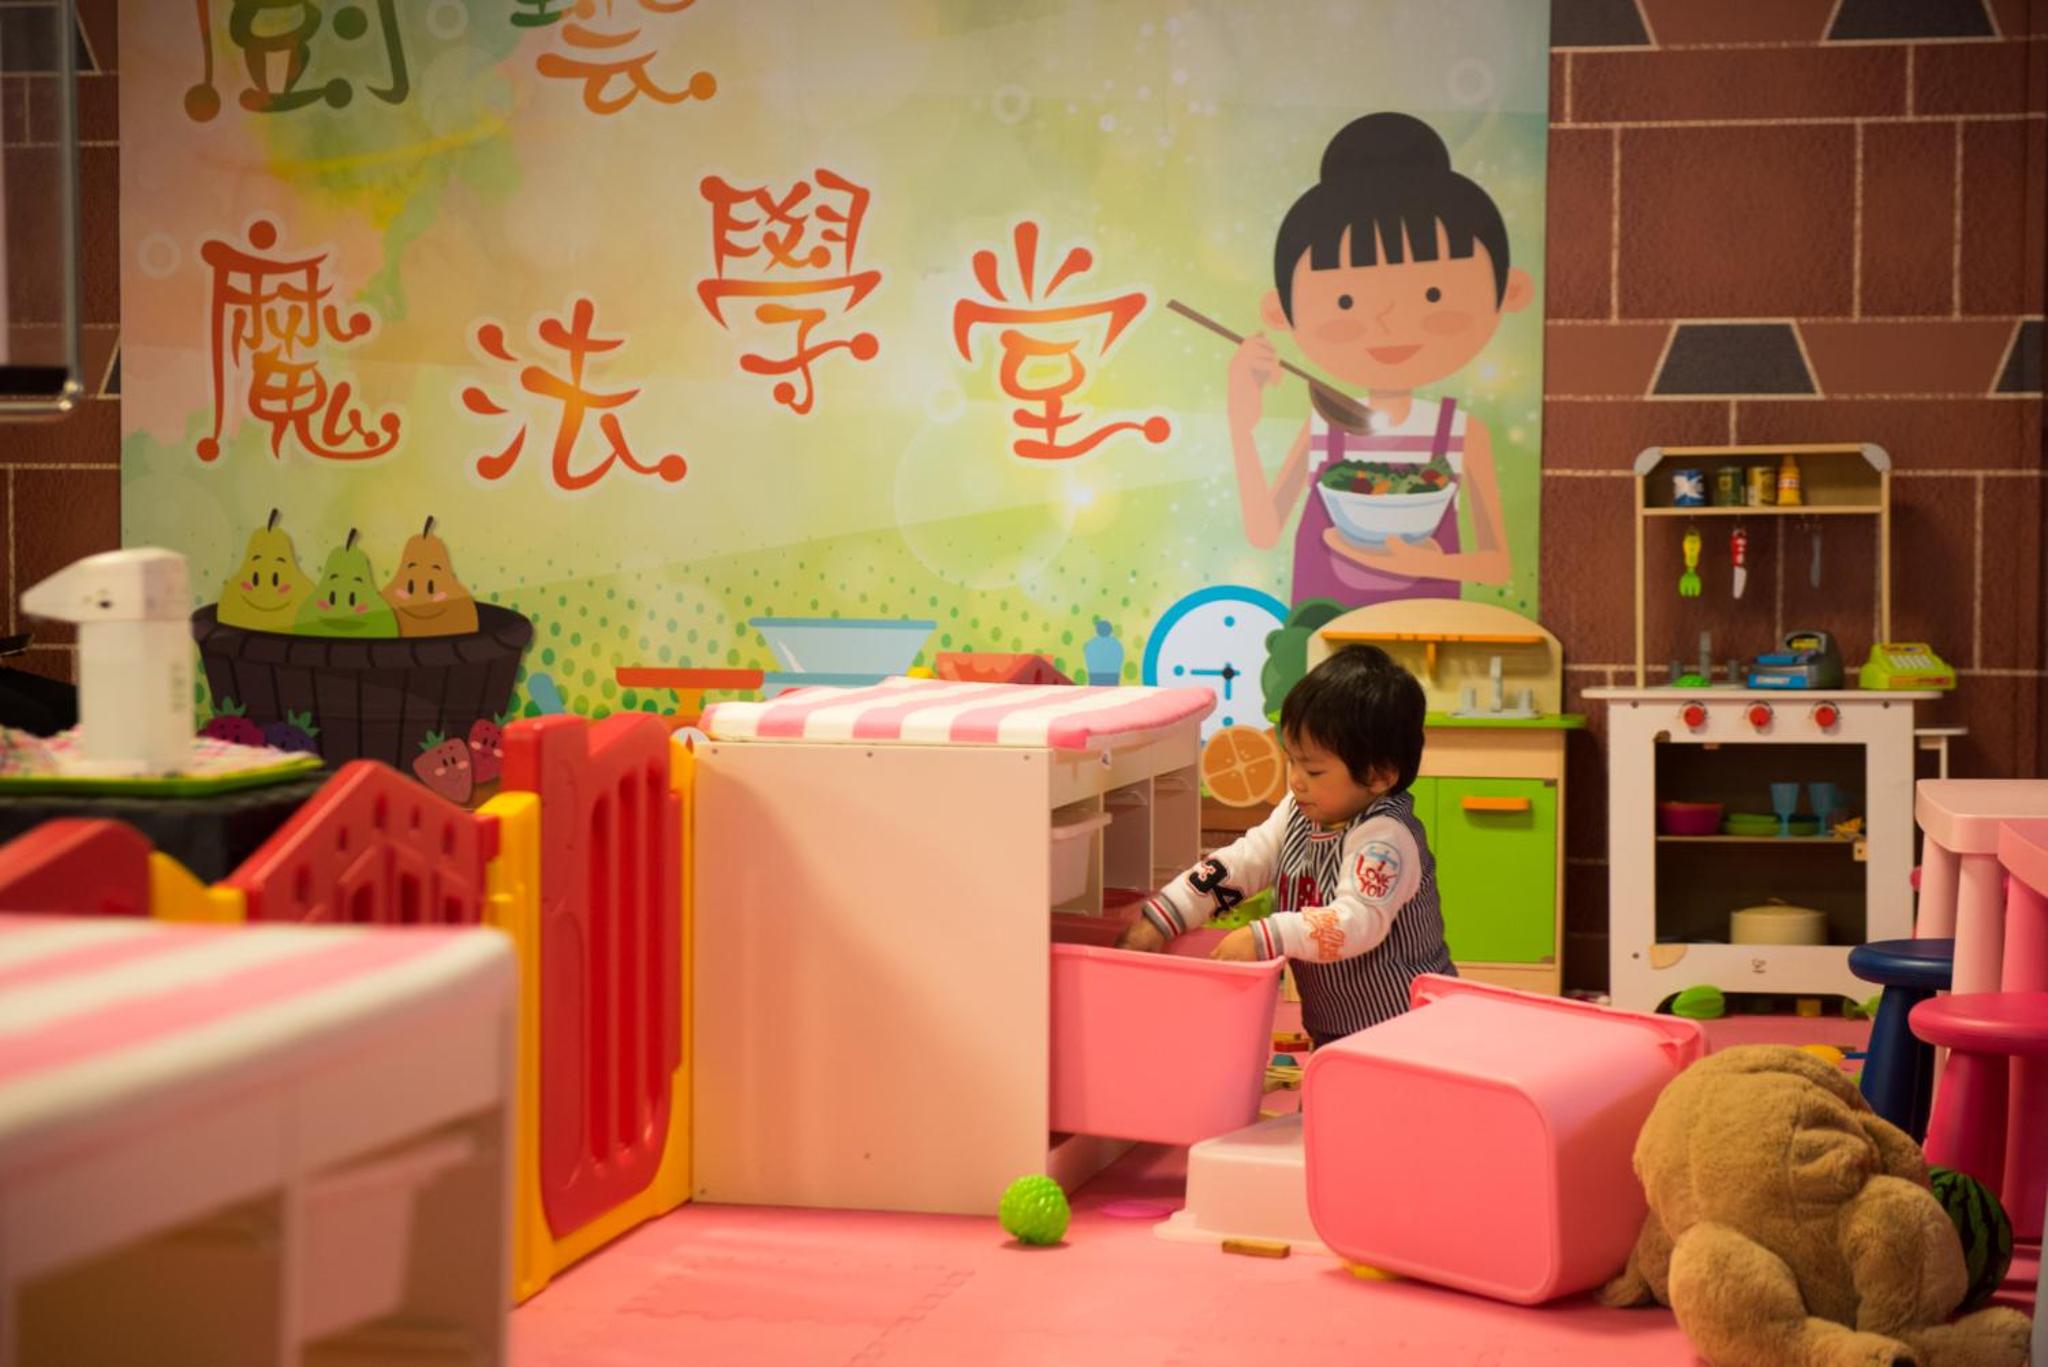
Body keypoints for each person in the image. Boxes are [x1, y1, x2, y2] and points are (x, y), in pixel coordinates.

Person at [1228, 111, 1533, 607]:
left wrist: (1424, 565)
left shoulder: (1462, 433)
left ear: (1510, 291)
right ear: (1281, 312)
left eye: (1433, 294)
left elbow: (1495, 562)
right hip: (1325, 628)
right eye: (1346, 301)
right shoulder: (1322, 429)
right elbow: (1263, 533)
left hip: (1429, 630)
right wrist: (1241, 425)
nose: (1388, 323)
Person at [1117, 645, 1453, 1047]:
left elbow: (1355, 922)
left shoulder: (1386, 839)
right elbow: (1241, 864)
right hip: (1335, 1023)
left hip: (1403, 1027)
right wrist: (1162, 919)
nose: (1295, 779)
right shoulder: (1298, 811)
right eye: (1292, 760)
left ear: (1379, 775)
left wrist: (1266, 935)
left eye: (1313, 770)